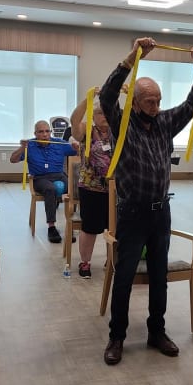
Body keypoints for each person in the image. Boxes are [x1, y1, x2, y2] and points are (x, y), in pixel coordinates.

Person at [99, 36, 193, 365]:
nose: (155, 106)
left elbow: (191, 105)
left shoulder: (163, 123)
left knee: (159, 276)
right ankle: (117, 336)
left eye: (158, 100)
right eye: (148, 100)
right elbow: (106, 95)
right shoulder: (121, 122)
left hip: (162, 213)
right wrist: (133, 56)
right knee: (126, 276)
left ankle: (156, 332)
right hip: (132, 214)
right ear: (133, 100)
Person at [10, 120, 79, 243]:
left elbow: (79, 151)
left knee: (75, 188)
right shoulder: (30, 145)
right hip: (40, 178)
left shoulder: (59, 143)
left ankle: (71, 225)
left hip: (59, 175)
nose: (45, 134)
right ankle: (51, 227)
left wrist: (77, 146)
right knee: (50, 189)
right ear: (35, 133)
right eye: (41, 132)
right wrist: (22, 148)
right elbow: (13, 160)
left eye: (47, 131)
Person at [69, 92, 113, 279]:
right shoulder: (87, 130)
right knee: (90, 227)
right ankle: (85, 262)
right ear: (93, 116)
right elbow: (74, 121)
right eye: (100, 113)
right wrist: (88, 99)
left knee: (115, 226)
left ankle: (112, 259)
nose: (105, 116)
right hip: (91, 187)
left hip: (115, 188)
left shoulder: (117, 130)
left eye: (107, 112)